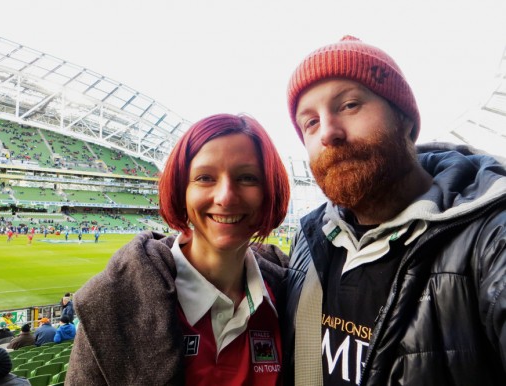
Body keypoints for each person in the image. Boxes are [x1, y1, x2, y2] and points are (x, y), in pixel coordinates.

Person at [283, 36, 506, 385]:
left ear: (405, 121)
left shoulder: (491, 238)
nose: (327, 132)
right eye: (309, 122)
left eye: (350, 105)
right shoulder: (309, 240)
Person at [66, 113, 291, 385]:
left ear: (270, 191)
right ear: (181, 192)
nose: (226, 197)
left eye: (247, 178)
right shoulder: (111, 301)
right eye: (205, 178)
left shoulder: (290, 296)